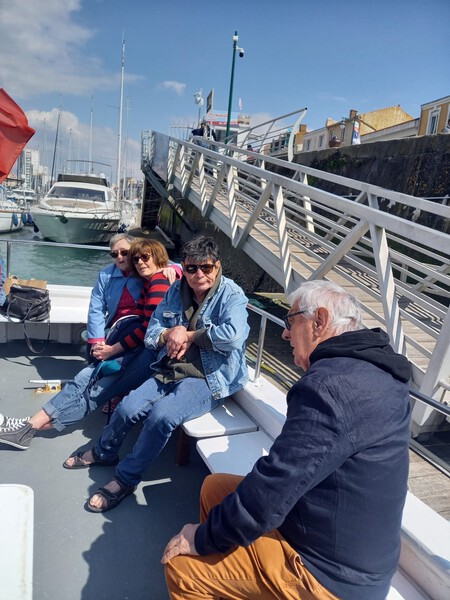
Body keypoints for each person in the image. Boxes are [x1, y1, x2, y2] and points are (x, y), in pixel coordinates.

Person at [162, 280, 412, 600]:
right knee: (216, 488)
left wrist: (200, 539)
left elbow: (274, 487)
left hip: (330, 574)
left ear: (319, 321)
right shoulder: (376, 370)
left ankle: (212, 574)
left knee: (183, 570)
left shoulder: (332, 387)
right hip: (348, 542)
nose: (283, 332)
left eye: (290, 320)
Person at [63, 235, 249, 514]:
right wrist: (167, 333)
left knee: (162, 417)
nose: (199, 275)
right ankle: (104, 452)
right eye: (191, 269)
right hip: (169, 368)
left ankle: (125, 479)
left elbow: (233, 337)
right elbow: (152, 333)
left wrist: (188, 334)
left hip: (208, 377)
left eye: (206, 268)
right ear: (183, 267)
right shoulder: (175, 291)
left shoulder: (231, 295)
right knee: (127, 408)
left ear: (217, 266)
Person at [0, 239, 179, 450]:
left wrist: (173, 269)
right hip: (125, 339)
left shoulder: (158, 281)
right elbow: (96, 308)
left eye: (129, 254)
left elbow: (149, 329)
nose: (130, 259)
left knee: (93, 389)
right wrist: (98, 343)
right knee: (87, 379)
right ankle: (28, 427)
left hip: (144, 352)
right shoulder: (121, 277)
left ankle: (27, 428)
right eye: (116, 254)